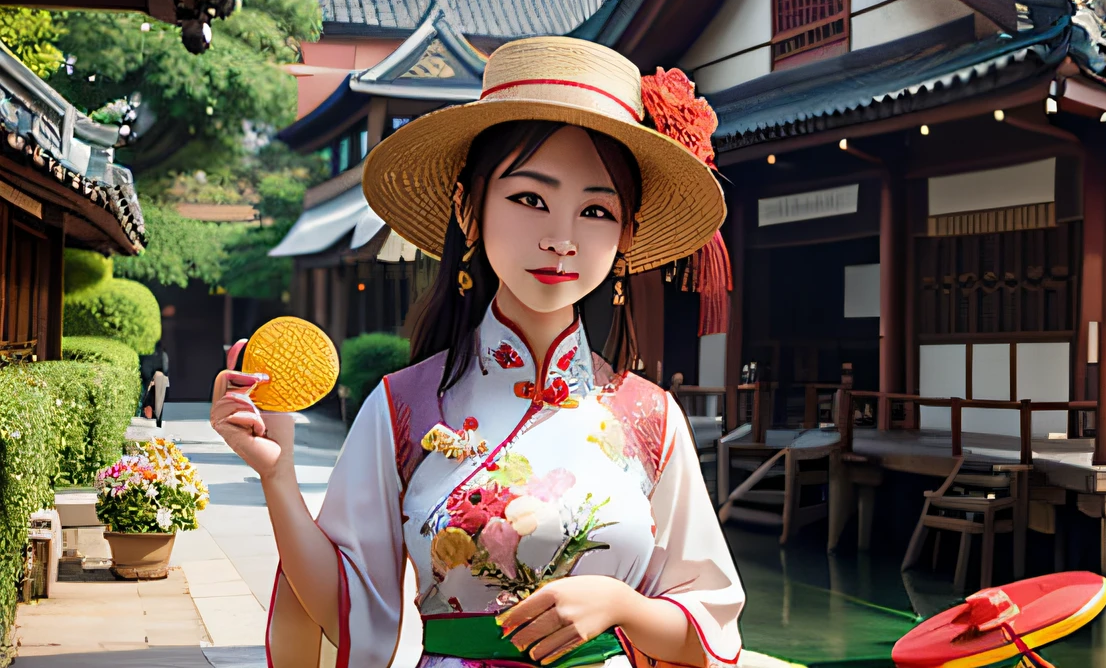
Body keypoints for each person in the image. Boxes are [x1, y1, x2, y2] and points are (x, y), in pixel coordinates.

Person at [210, 38, 742, 668]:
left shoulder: (651, 420)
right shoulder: (402, 407)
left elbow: (709, 630)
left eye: (595, 210)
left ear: (625, 233)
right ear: (469, 206)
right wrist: (277, 476)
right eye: (529, 198)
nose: (562, 239)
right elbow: (344, 610)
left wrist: (620, 606)